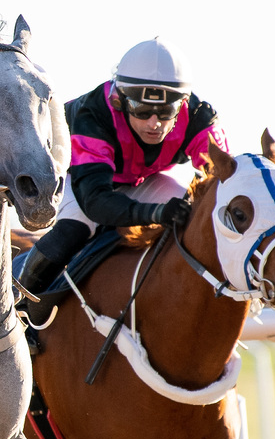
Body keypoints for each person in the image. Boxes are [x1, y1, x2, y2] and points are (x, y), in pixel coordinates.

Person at [16, 38, 228, 316]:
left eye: (166, 112)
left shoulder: (199, 118)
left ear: (183, 104)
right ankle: (18, 307)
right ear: (119, 100)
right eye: (142, 110)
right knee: (75, 229)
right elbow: (96, 202)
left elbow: (225, 181)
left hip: (138, 180)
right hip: (79, 180)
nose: (155, 123)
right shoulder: (94, 114)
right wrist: (156, 213)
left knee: (191, 217)